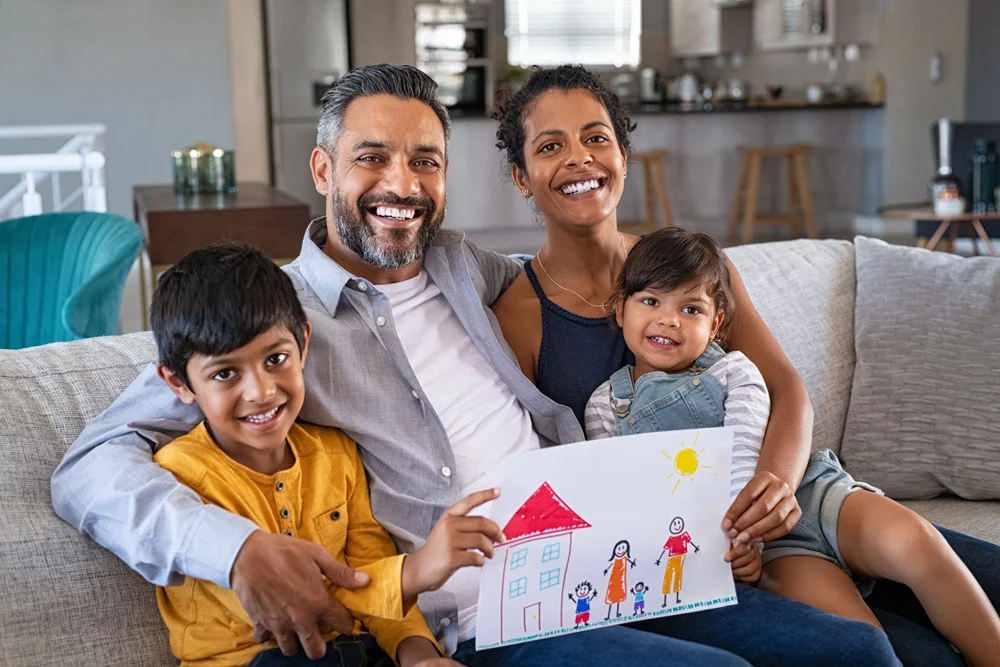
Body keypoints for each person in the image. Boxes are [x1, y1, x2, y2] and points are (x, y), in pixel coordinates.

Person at [50, 65, 750, 667]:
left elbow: (593, 285)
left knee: (852, 650)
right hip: (484, 617)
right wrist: (235, 550)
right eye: (373, 157)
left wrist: (690, 279)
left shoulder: (468, 265)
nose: (402, 184)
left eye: (425, 161)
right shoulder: (270, 324)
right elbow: (88, 466)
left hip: (607, 560)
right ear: (323, 169)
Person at [490, 64, 1000, 666]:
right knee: (893, 652)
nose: (580, 158)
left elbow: (785, 387)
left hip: (800, 496)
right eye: (551, 147)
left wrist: (778, 488)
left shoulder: (694, 266)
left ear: (624, 156)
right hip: (712, 550)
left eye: (597, 137)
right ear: (522, 178)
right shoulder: (519, 315)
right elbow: (566, 481)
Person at [585, 227, 1000, 665]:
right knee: (860, 640)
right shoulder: (606, 406)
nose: (670, 319)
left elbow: (744, 459)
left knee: (916, 542)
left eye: (691, 308)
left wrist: (743, 533)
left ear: (716, 324)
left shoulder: (736, 373)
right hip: (771, 548)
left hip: (814, 494)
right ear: (619, 308)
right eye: (651, 301)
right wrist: (736, 549)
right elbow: (628, 499)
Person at [146, 241, 511, 666]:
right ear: (179, 383)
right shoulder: (180, 476)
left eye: (275, 359)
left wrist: (418, 654)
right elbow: (289, 601)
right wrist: (415, 572)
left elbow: (371, 560)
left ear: (303, 343)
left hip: (358, 653)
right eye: (225, 373)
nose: (261, 392)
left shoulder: (334, 453)